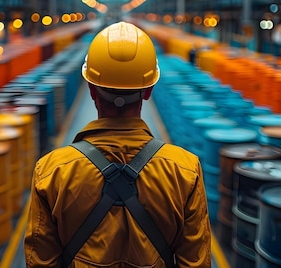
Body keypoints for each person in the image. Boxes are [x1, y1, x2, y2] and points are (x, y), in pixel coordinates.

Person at [24, 21, 211, 268]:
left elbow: (40, 263)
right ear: (148, 90)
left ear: (91, 89)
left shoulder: (51, 172)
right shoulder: (184, 171)